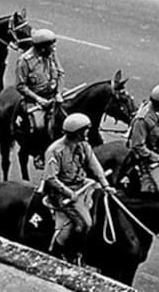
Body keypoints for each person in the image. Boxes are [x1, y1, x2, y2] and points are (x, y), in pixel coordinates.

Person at [42, 113, 115, 263]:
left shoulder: (84, 146)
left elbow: (95, 166)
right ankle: (71, 254)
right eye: (85, 130)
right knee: (84, 224)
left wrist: (106, 185)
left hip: (83, 185)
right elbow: (50, 178)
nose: (88, 132)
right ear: (77, 133)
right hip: (62, 192)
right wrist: (69, 193)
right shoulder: (55, 151)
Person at [15, 28, 64, 163]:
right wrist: (39, 100)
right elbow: (20, 86)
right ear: (42, 48)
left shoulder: (51, 54)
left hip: (53, 95)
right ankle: (40, 153)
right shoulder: (24, 61)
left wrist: (59, 93)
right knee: (39, 126)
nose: (54, 48)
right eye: (51, 45)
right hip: (34, 99)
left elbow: (60, 73)